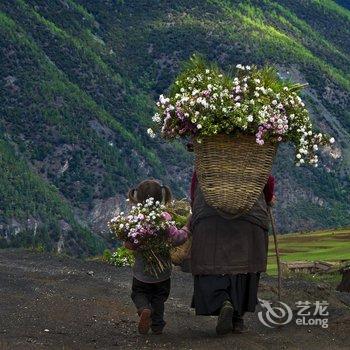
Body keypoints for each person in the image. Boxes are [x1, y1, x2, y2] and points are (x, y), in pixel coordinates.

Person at [190, 171, 275, 335]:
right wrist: (269, 197)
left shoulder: (209, 159)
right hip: (250, 217)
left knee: (211, 262)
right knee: (243, 265)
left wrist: (195, 204)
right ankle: (237, 319)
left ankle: (222, 302)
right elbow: (267, 179)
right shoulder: (253, 158)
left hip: (209, 215)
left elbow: (196, 182)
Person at [126, 179, 189, 335]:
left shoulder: (136, 220)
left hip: (141, 272)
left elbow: (130, 244)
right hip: (162, 272)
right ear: (161, 197)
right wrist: (187, 229)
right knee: (159, 297)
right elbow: (176, 239)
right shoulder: (164, 218)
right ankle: (157, 325)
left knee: (138, 293)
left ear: (138, 198)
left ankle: (144, 309)